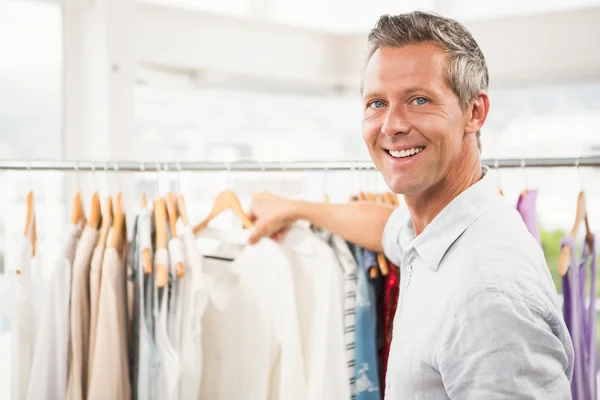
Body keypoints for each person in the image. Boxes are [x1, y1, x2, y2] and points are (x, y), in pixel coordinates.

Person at [248, 11, 574, 399]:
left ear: (475, 112)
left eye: (419, 100)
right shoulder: (439, 230)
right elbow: (386, 227)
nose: (391, 125)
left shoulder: (486, 295)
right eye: (376, 103)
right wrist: (296, 208)